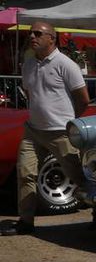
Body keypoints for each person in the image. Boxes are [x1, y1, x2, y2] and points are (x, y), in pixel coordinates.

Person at [1, 22, 90, 236]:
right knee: (25, 173)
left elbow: (84, 99)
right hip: (33, 130)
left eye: (38, 33)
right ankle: (26, 221)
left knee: (78, 175)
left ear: (52, 38)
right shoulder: (29, 64)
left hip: (60, 131)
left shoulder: (66, 65)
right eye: (32, 33)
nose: (33, 36)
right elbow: (30, 93)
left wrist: (69, 121)